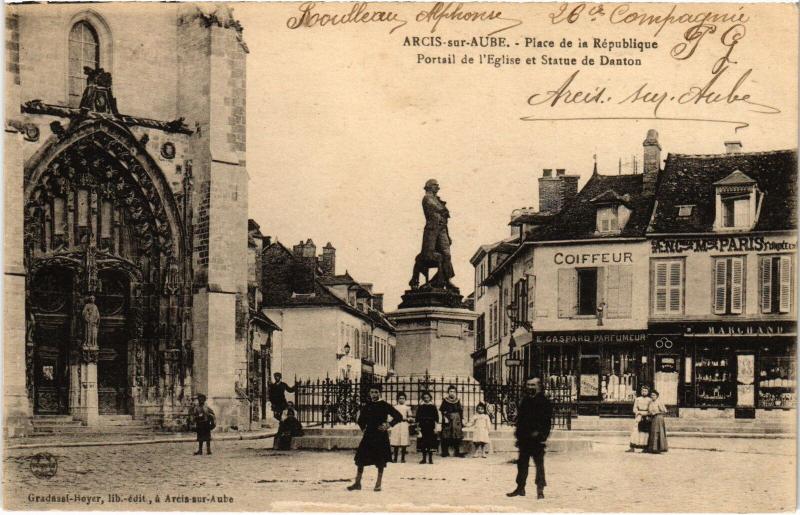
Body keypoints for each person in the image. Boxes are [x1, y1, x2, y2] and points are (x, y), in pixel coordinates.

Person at [348, 384, 403, 492]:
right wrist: (364, 428)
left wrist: (388, 425)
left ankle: (378, 484)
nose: (374, 394)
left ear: (380, 393)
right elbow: (361, 420)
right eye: (372, 392)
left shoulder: (384, 405)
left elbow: (398, 416)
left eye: (376, 392)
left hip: (380, 436)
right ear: (369, 393)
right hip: (369, 435)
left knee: (380, 460)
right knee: (360, 459)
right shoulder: (367, 405)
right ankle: (357, 483)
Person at [507, 377, 552, 500]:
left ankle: (540, 490)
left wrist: (543, 436)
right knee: (522, 464)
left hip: (537, 439)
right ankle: (520, 488)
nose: (530, 387)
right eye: (528, 385)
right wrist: (518, 435)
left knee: (539, 465)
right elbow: (520, 420)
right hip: (524, 439)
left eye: (533, 385)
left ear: (539, 386)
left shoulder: (544, 402)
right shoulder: (525, 400)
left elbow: (547, 422)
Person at [439, 385, 465, 457]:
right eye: (450, 391)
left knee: (457, 435)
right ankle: (445, 451)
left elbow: (460, 411)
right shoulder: (445, 400)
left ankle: (458, 451)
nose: (452, 393)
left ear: (456, 392)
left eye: (454, 391)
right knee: (446, 434)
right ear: (448, 392)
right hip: (448, 419)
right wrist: (445, 417)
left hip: (456, 419)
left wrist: (462, 419)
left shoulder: (457, 400)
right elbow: (442, 410)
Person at [415, 391, 439, 464]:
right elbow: (417, 418)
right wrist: (418, 427)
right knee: (423, 443)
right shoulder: (421, 407)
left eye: (427, 397)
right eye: (424, 398)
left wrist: (435, 427)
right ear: (423, 398)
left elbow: (436, 418)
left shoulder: (433, 407)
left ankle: (430, 459)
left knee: (430, 442)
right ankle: (424, 458)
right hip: (423, 426)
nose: (426, 399)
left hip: (430, 426)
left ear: (430, 398)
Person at [628, 384, 652, 452]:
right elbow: (634, 408)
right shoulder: (637, 399)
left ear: (648, 392)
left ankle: (644, 447)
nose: (644, 392)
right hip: (638, 416)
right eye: (643, 391)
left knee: (645, 432)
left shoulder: (649, 400)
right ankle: (632, 447)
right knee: (635, 431)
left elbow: (650, 410)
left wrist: (645, 413)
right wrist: (638, 412)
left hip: (646, 417)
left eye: (645, 391)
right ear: (641, 391)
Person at [389, 392, 412, 463]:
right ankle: (395, 458)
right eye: (400, 398)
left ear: (405, 399)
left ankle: (403, 458)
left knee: (403, 441)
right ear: (397, 399)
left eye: (403, 398)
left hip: (404, 425)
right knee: (396, 441)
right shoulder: (394, 407)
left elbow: (410, 417)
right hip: (396, 425)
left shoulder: (407, 408)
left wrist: (408, 419)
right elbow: (390, 416)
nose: (401, 400)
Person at [646, 390, 669, 454]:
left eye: (654, 395)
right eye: (651, 395)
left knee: (659, 432)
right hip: (653, 419)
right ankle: (653, 448)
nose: (652, 396)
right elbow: (649, 410)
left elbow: (665, 411)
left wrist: (656, 412)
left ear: (657, 396)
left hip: (659, 418)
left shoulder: (659, 402)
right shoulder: (650, 403)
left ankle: (660, 448)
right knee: (653, 432)